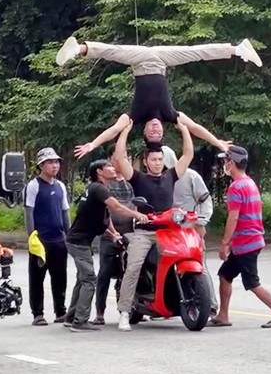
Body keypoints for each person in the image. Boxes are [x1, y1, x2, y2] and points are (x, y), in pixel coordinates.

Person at [55, 36, 262, 157]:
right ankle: (238, 49)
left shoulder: (135, 116)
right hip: (162, 60)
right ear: (163, 130)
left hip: (140, 62)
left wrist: (92, 144)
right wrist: (218, 142)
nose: (155, 129)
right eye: (158, 133)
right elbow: (196, 128)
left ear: (144, 130)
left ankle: (79, 48)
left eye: (151, 133)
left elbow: (114, 130)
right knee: (194, 52)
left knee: (114, 52)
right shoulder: (170, 114)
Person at [113, 117, 194, 331]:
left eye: (160, 160)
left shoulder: (171, 176)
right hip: (145, 232)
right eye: (154, 160)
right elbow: (120, 158)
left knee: (193, 254)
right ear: (147, 162)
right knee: (134, 266)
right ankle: (125, 311)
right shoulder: (138, 178)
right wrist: (125, 131)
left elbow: (188, 155)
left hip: (169, 230)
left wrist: (183, 128)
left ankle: (207, 305)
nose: (157, 163)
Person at [209, 145, 271, 329]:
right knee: (225, 275)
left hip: (246, 243)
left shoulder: (236, 187)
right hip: (249, 241)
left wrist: (225, 243)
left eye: (225, 161)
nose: (223, 165)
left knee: (252, 282)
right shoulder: (249, 183)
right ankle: (223, 315)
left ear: (232, 163)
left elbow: (233, 217)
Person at [64, 159, 149, 332]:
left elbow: (104, 218)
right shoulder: (99, 188)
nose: (113, 168)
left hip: (78, 240)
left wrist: (113, 234)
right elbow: (116, 207)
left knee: (82, 279)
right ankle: (80, 321)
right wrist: (136, 214)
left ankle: (71, 316)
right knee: (89, 279)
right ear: (99, 172)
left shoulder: (97, 189)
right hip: (78, 242)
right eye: (108, 166)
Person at [161, 145, 218, 315]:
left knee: (201, 265)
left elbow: (206, 201)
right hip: (166, 232)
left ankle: (211, 305)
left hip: (190, 230)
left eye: (163, 163)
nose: (161, 168)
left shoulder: (190, 176)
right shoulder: (157, 180)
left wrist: (201, 222)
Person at [24, 147, 70, 326]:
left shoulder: (60, 186)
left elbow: (65, 212)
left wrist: (69, 234)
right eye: (50, 162)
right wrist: (31, 237)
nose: (55, 165)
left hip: (59, 239)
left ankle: (60, 311)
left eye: (57, 162)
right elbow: (29, 212)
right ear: (41, 165)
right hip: (41, 240)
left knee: (60, 278)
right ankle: (38, 313)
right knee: (37, 278)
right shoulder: (34, 186)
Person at [93, 146, 135, 325]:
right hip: (109, 235)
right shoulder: (105, 184)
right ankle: (99, 312)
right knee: (104, 274)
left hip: (129, 234)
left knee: (130, 272)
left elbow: (134, 205)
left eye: (126, 157)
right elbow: (108, 208)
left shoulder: (129, 183)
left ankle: (129, 308)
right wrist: (112, 232)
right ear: (111, 159)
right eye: (119, 157)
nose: (123, 160)